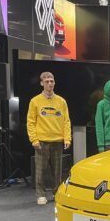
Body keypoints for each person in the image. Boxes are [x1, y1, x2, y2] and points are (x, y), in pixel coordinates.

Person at [26, 72, 71, 206]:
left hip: (57, 140)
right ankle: (41, 194)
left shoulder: (61, 101)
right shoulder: (35, 101)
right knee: (40, 170)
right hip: (42, 141)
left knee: (57, 171)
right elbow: (30, 122)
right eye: (47, 81)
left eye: (52, 81)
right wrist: (34, 139)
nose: (50, 84)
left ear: (54, 83)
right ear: (41, 83)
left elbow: (66, 121)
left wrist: (67, 138)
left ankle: (56, 192)